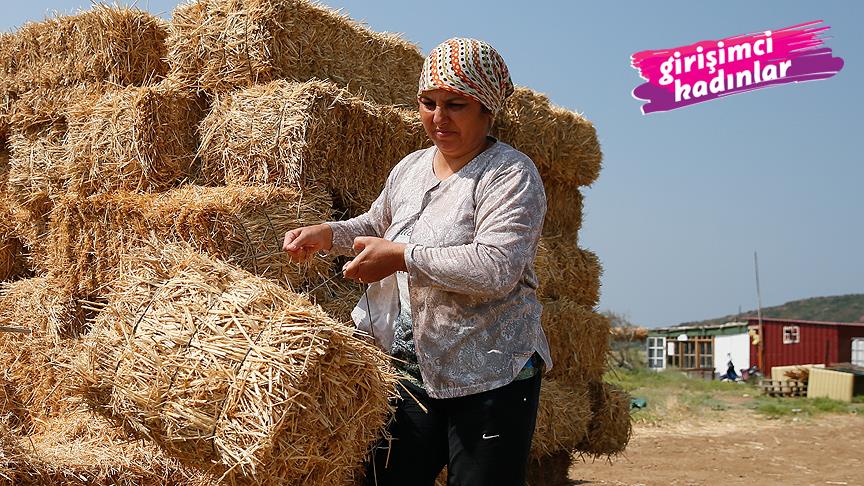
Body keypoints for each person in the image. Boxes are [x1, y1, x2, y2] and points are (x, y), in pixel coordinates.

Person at [283, 38, 552, 486]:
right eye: (428, 103)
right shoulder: (411, 167)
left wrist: (401, 258)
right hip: (412, 371)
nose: (438, 118)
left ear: (488, 109)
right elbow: (378, 222)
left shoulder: (509, 174)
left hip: (490, 373)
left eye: (456, 105)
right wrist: (327, 234)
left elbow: (495, 268)